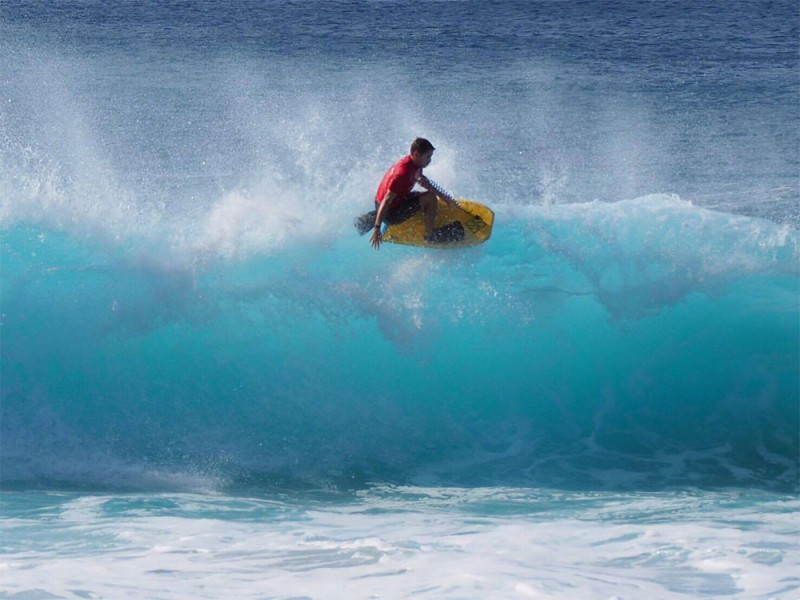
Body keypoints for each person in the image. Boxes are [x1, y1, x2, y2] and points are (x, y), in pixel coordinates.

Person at [370, 138, 460, 250]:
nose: (430, 160)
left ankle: (374, 218)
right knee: (430, 198)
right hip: (390, 213)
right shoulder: (402, 174)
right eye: (428, 157)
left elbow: (422, 181)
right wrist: (377, 228)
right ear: (416, 154)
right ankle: (430, 236)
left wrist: (443, 196)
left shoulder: (412, 163)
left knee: (420, 194)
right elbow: (387, 200)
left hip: (384, 203)